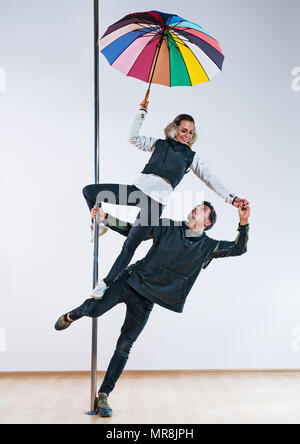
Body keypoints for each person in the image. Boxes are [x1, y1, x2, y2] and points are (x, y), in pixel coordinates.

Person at [55, 201, 250, 417]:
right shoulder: (168, 226)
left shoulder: (207, 247)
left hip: (148, 299)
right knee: (95, 310)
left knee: (124, 346)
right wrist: (106, 218)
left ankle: (103, 395)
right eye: (196, 206)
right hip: (130, 281)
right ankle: (72, 315)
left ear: (208, 221)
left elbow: (238, 248)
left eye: (202, 209)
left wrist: (243, 222)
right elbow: (134, 231)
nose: (196, 208)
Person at [82, 102, 248, 299]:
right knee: (89, 192)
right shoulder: (158, 144)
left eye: (191, 132)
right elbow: (132, 138)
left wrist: (231, 198)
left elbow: (210, 179)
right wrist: (142, 113)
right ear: (175, 129)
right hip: (137, 191)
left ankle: (104, 284)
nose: (187, 135)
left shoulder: (191, 158)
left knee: (129, 246)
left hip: (155, 204)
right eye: (184, 130)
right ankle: (99, 225)